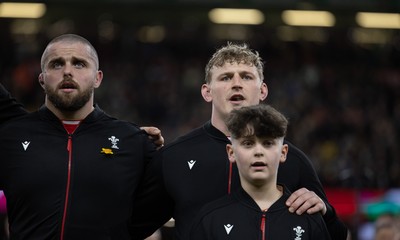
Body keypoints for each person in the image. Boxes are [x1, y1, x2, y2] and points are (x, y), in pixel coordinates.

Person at [132, 42, 348, 240]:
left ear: (262, 90)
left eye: (246, 76)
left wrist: (326, 212)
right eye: (226, 77)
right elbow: (129, 228)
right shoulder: (175, 157)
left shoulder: (294, 161)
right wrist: (133, 160)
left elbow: (335, 234)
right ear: (207, 92)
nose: (236, 84)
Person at [0, 34, 163, 239]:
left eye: (79, 64)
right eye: (57, 64)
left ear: (98, 78)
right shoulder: (11, 137)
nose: (67, 71)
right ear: (42, 79)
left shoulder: (133, 142)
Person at [189, 104, 331, 239]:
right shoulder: (210, 220)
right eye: (248, 143)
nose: (258, 152)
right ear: (231, 152)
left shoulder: (308, 218)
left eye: (268, 143)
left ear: (283, 153)